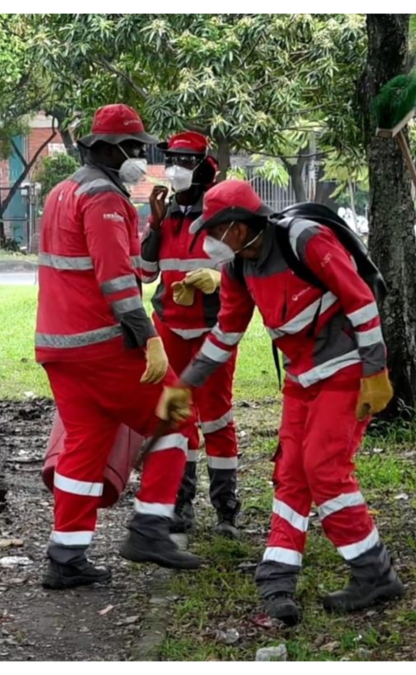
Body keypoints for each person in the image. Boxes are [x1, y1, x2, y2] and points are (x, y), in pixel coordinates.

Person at [159, 180, 402, 627]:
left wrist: (375, 372)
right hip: (301, 376)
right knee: (290, 474)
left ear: (235, 227)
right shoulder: (238, 268)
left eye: (214, 230)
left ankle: (374, 572)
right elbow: (226, 334)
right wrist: (186, 384)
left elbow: (361, 300)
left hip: (346, 367)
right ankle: (277, 576)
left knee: (325, 470)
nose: (209, 241)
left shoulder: (305, 240)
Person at [36, 104, 203, 590]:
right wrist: (150, 341)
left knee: (85, 446)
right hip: (104, 344)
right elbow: (116, 282)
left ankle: (66, 557)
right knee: (177, 416)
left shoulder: (62, 191)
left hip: (59, 348)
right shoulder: (105, 198)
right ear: (107, 149)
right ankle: (149, 528)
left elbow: (118, 267)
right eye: (133, 149)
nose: (139, 158)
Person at [138, 131, 242, 538]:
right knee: (178, 416)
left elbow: (244, 269)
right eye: (171, 160)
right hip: (170, 327)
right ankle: (181, 505)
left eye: (184, 161)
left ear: (204, 168)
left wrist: (219, 278)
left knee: (217, 417)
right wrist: (155, 224)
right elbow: (145, 274)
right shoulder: (164, 216)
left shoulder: (221, 214)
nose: (175, 169)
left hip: (214, 329)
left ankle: (225, 509)